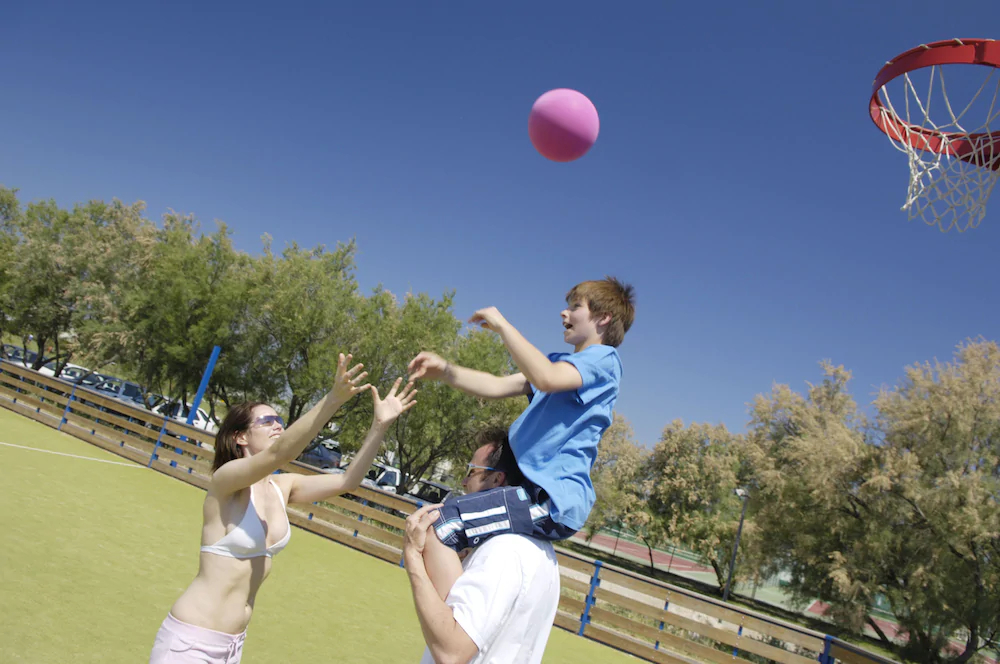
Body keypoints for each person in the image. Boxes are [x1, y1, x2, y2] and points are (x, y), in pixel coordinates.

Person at [149, 353, 416, 663]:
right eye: (267, 421)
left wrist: (379, 426)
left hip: (232, 646)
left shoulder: (282, 487)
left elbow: (347, 481)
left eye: (279, 420)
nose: (277, 425)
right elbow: (279, 452)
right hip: (191, 641)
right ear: (240, 436)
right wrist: (332, 399)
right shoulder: (226, 482)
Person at [407, 277, 635, 598]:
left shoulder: (604, 361)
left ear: (603, 318)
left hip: (551, 500)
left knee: (443, 527)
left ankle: (455, 629)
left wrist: (503, 326)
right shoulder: (558, 362)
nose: (563, 313)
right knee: (444, 523)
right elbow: (496, 386)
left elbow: (546, 378)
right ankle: (462, 618)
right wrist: (446, 370)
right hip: (526, 491)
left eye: (574, 307)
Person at [404, 427, 560, 664]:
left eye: (472, 471)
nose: (464, 481)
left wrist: (413, 557)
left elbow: (451, 652)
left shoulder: (504, 551)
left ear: (497, 479)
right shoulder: (541, 551)